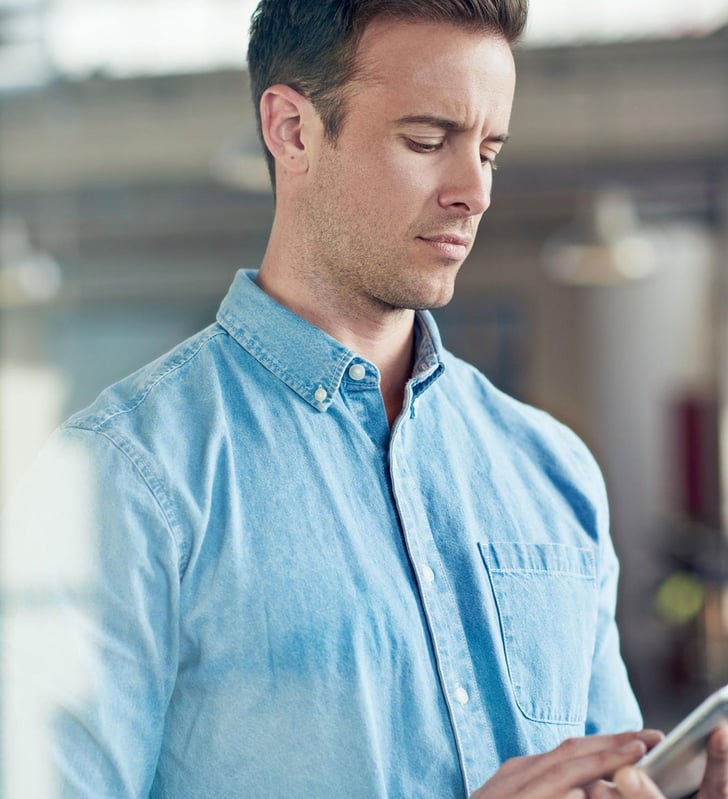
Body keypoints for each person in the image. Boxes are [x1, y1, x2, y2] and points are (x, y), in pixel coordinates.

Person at [2, 0, 728, 797]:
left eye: (489, 150)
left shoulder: (552, 470)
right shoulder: (122, 479)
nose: (474, 191)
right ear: (292, 130)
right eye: (427, 141)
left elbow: (609, 771)